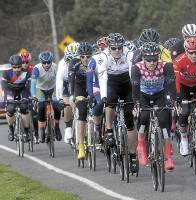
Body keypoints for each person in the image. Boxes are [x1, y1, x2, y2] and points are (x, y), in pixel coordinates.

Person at [96, 33, 139, 173]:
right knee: (109, 102)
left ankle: (133, 156)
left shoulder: (129, 54)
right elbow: (102, 78)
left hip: (127, 83)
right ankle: (109, 131)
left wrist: (135, 96)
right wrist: (103, 96)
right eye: (113, 48)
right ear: (109, 48)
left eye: (119, 48)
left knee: (130, 121)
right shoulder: (103, 57)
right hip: (112, 83)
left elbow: (134, 76)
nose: (117, 51)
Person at [131, 42, 176, 170]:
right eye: (148, 60)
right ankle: (141, 147)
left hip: (159, 94)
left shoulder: (165, 66)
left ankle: (168, 158)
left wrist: (173, 100)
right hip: (143, 95)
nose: (152, 63)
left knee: (163, 121)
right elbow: (134, 87)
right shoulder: (136, 68)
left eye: (154, 59)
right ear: (143, 58)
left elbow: (171, 83)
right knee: (144, 117)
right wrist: (137, 104)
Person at [173, 36, 196, 156]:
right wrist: (177, 98)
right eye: (191, 53)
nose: (194, 55)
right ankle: (184, 139)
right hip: (183, 87)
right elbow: (175, 80)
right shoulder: (178, 61)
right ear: (186, 51)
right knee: (185, 111)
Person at [69, 42, 100, 159]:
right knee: (81, 112)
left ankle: (98, 131)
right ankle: (81, 145)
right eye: (82, 56)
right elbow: (71, 80)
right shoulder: (74, 63)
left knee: (99, 107)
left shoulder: (96, 61)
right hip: (80, 87)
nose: (85, 59)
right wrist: (72, 95)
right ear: (79, 56)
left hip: (93, 85)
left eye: (88, 56)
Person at [31, 51, 62, 143]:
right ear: (41, 62)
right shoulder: (37, 68)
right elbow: (33, 83)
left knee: (56, 104)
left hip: (53, 89)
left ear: (51, 62)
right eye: (44, 63)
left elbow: (60, 80)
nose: (47, 64)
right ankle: (41, 129)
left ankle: (56, 126)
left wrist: (61, 94)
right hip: (40, 89)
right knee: (41, 105)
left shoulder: (56, 67)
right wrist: (33, 96)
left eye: (49, 62)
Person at [2, 55, 31, 141]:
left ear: (21, 65)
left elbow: (29, 85)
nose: (17, 69)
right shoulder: (6, 73)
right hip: (11, 92)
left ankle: (26, 131)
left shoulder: (27, 73)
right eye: (14, 67)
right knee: (10, 110)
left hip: (23, 91)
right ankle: (11, 129)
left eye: (19, 66)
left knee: (25, 108)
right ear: (11, 66)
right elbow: (4, 85)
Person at [56, 42, 80, 143]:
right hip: (67, 83)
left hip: (79, 81)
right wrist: (60, 99)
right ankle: (68, 127)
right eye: (70, 59)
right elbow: (59, 82)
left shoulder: (87, 62)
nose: (73, 63)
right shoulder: (62, 64)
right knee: (67, 106)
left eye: (77, 59)